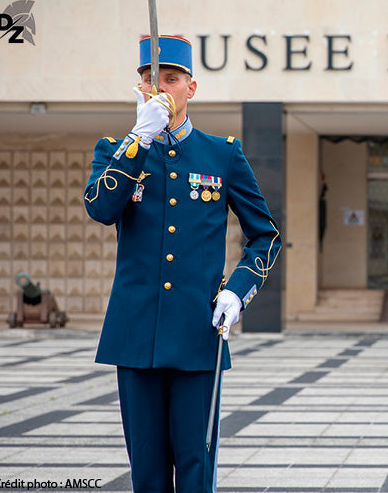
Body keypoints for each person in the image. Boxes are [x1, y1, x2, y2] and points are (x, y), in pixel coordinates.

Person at [83, 35, 281, 492]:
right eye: (151, 80)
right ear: (139, 88)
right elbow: (101, 208)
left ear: (191, 88)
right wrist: (139, 138)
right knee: (147, 469)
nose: (160, 89)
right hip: (136, 334)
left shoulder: (222, 154)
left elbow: (266, 235)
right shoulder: (115, 149)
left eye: (171, 79)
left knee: (196, 464)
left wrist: (237, 292)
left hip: (197, 332)